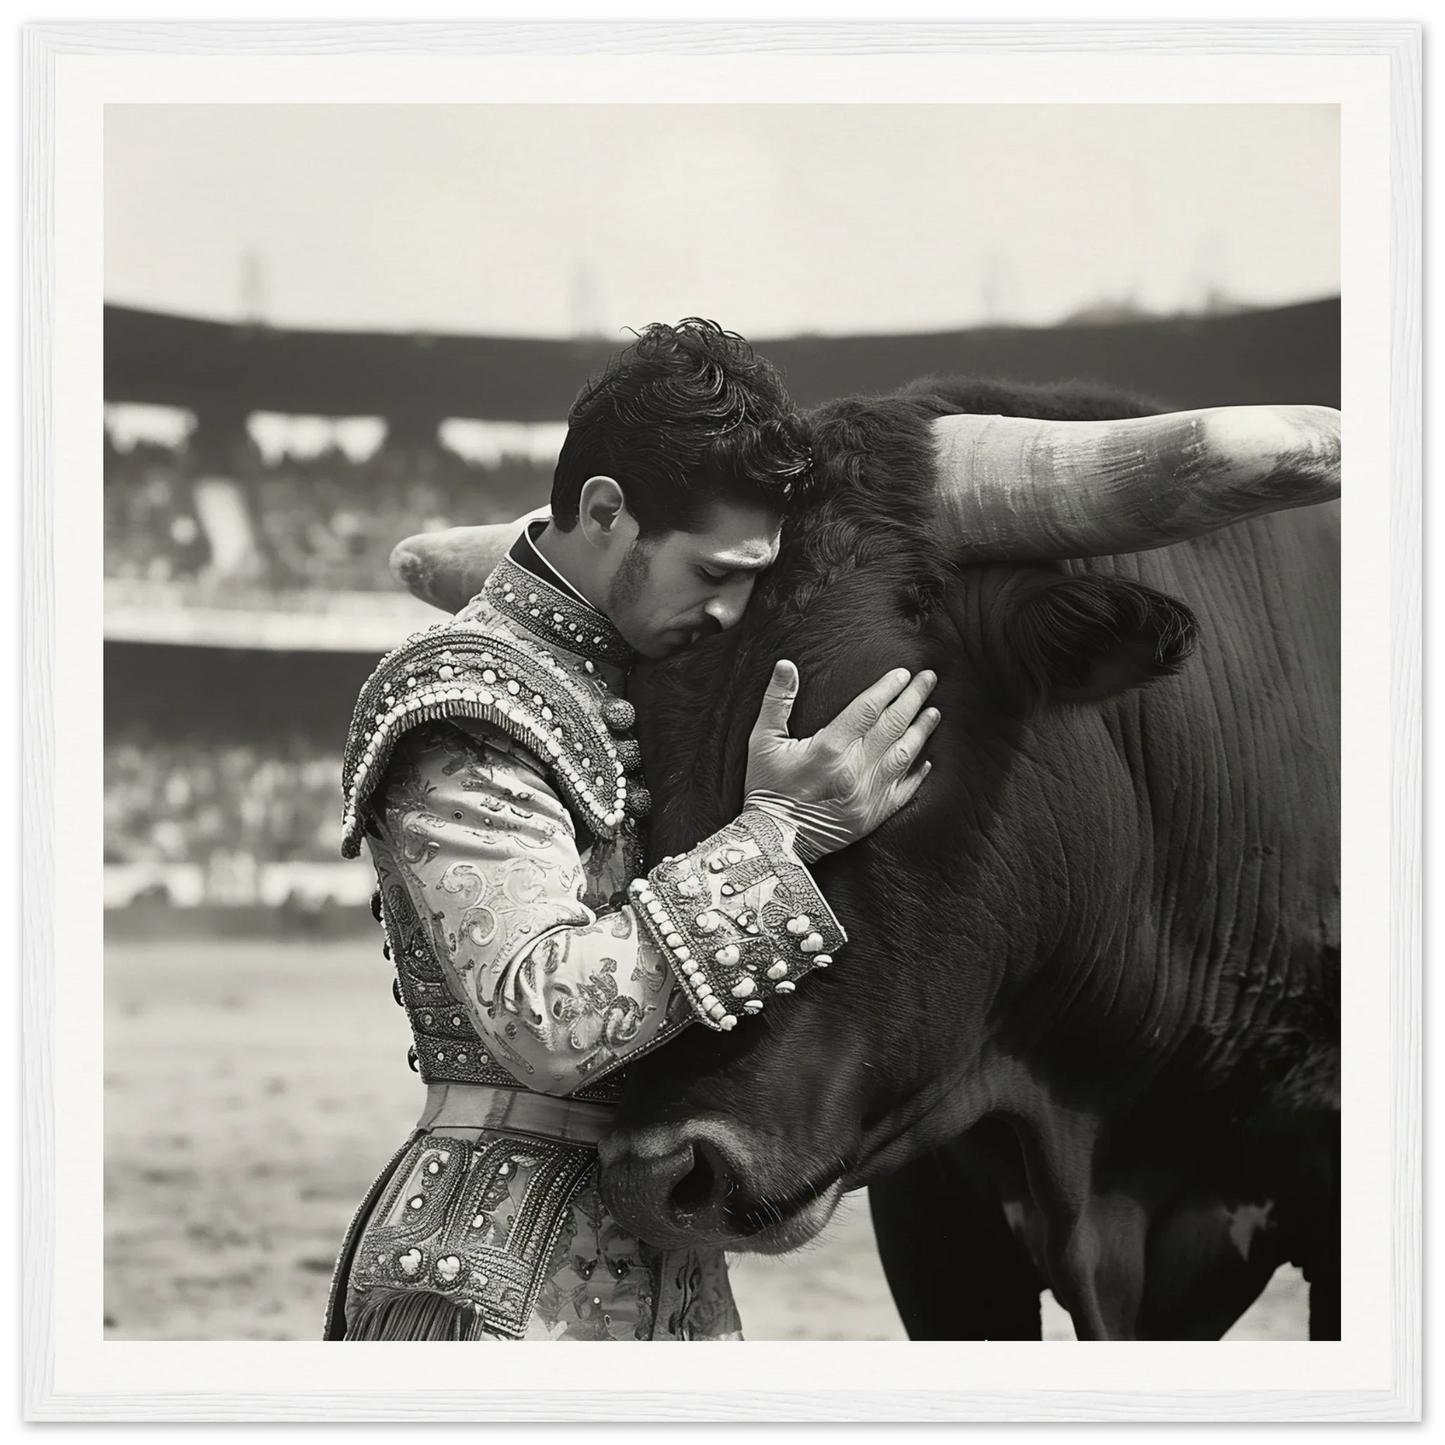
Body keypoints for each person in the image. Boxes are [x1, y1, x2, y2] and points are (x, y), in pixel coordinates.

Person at [325, 320, 941, 1342]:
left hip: (671, 1276)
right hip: (492, 1283)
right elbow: (543, 1017)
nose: (731, 609)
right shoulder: (469, 692)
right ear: (605, 511)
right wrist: (780, 833)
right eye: (712, 573)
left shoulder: (650, 676)